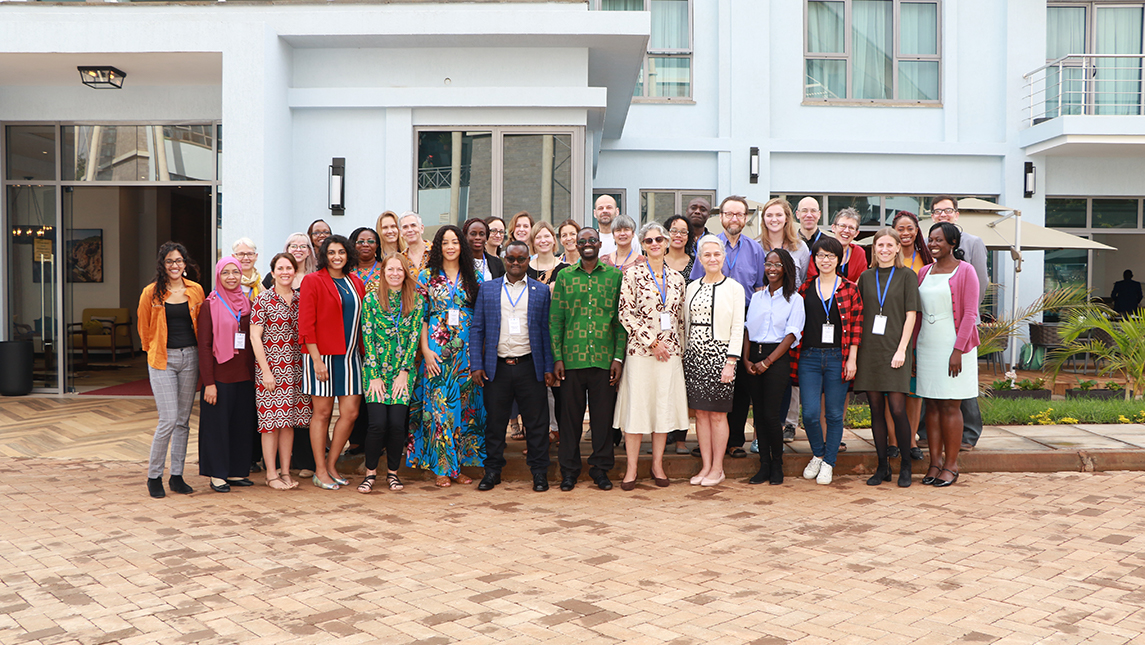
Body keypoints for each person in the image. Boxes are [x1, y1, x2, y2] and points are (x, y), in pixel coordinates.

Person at [470, 241, 556, 492]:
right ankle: (492, 471)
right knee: (495, 423)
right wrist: (476, 364)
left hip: (530, 365)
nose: (515, 263)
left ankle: (539, 473)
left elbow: (546, 332)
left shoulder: (540, 291)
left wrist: (548, 367)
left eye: (521, 259)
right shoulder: (488, 289)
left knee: (537, 424)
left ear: (529, 260)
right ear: (504, 260)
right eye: (511, 259)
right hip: (496, 367)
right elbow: (477, 330)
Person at [408, 225, 486, 487]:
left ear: (461, 246)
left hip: (467, 352)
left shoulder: (474, 275)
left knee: (464, 410)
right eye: (445, 242)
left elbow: (483, 315)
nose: (450, 247)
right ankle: (442, 468)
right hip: (437, 353)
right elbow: (420, 317)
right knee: (440, 409)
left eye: (455, 242)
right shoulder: (426, 276)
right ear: (438, 247)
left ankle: (459, 467)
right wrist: (426, 351)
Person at [689, 196, 767, 459]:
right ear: (720, 216)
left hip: (743, 321)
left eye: (740, 214)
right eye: (729, 214)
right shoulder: (708, 245)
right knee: (709, 388)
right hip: (710, 322)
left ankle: (734, 440)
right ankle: (707, 444)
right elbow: (696, 285)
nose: (734, 219)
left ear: (745, 218)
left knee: (740, 384)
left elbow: (759, 288)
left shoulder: (756, 250)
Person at [551, 227, 627, 491]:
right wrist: (557, 357)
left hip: (604, 360)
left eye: (591, 240)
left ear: (599, 243)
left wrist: (618, 357)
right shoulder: (565, 277)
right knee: (569, 420)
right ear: (576, 244)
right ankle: (569, 472)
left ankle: (601, 470)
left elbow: (620, 321)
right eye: (581, 241)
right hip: (571, 360)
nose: (586, 244)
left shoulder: (615, 276)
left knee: (602, 421)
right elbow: (556, 319)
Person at [615, 222, 688, 490]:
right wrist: (652, 342)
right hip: (641, 352)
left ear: (668, 242)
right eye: (649, 240)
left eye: (659, 239)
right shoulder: (632, 274)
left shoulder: (678, 279)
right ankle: (631, 468)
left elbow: (680, 318)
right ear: (643, 245)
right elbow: (625, 312)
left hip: (670, 355)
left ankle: (657, 464)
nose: (655, 244)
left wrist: (676, 348)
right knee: (637, 410)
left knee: (662, 409)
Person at [299, 235, 367, 490]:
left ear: (348, 254)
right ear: (324, 256)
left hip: (351, 357)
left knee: (350, 413)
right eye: (331, 252)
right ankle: (319, 470)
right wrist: (316, 360)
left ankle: (331, 464)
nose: (337, 256)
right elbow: (306, 324)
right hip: (322, 357)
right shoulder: (312, 281)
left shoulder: (355, 282)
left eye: (341, 252)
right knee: (323, 413)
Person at [854, 228, 920, 488]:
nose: (884, 249)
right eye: (880, 245)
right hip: (870, 352)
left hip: (896, 350)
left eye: (889, 245)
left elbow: (911, 315)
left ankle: (905, 465)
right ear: (874, 248)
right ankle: (883, 466)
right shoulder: (865, 277)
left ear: (897, 249)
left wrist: (902, 349)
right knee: (876, 411)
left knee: (897, 409)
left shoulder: (908, 276)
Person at [915, 222, 980, 487]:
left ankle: (951, 465)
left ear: (953, 243)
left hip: (955, 346)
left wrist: (957, 350)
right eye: (931, 239)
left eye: (939, 240)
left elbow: (969, 314)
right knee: (931, 405)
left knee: (950, 405)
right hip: (926, 344)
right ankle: (934, 462)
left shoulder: (966, 271)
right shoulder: (923, 272)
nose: (933, 244)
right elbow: (917, 313)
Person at [795, 236, 863, 486]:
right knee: (811, 414)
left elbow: (856, 326)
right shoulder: (804, 289)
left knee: (834, 415)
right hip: (809, 357)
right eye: (821, 255)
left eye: (830, 256)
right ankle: (819, 453)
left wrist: (852, 360)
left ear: (839, 259)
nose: (825, 260)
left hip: (838, 357)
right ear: (814, 259)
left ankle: (829, 463)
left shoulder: (849, 289)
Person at [139, 242, 204, 498]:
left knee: (183, 421)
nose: (175, 266)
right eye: (169, 261)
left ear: (185, 263)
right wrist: (152, 351)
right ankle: (154, 476)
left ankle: (176, 475)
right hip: (161, 359)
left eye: (178, 261)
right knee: (168, 418)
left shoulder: (196, 291)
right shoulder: (151, 293)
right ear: (162, 265)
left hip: (190, 357)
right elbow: (143, 329)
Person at [359, 253, 425, 493]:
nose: (395, 274)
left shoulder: (415, 301)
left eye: (400, 270)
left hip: (402, 372)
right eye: (390, 270)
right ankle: (370, 473)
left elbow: (414, 339)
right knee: (377, 424)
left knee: (397, 425)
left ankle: (393, 474)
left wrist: (405, 372)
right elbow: (368, 335)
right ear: (383, 273)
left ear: (405, 272)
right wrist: (374, 374)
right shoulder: (371, 300)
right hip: (375, 371)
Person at [683, 234, 745, 486]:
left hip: (720, 356)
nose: (712, 258)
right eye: (706, 254)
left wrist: (731, 362)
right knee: (700, 414)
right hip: (694, 355)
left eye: (716, 254)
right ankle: (705, 466)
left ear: (724, 257)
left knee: (718, 415)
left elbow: (738, 327)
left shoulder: (734, 288)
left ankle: (718, 468)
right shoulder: (691, 286)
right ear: (699, 257)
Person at [927, 196, 987, 451]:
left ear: (956, 214)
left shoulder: (972, 246)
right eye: (937, 211)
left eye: (947, 210)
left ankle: (969, 435)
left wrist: (960, 340)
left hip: (959, 330)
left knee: (959, 392)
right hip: (929, 339)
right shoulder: (927, 260)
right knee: (933, 399)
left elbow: (980, 284)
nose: (943, 214)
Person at [250, 253, 312, 490]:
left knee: (289, 423)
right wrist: (265, 371)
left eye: (289, 268)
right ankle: (271, 474)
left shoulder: (300, 299)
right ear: (273, 272)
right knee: (270, 424)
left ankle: (286, 472)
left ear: (295, 272)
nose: (285, 272)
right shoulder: (262, 300)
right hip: (271, 370)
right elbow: (255, 337)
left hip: (296, 370)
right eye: (281, 268)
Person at [742, 248, 804, 486]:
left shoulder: (794, 299)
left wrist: (767, 362)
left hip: (776, 358)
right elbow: (748, 329)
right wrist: (747, 360)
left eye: (777, 265)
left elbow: (791, 336)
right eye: (769, 264)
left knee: (771, 416)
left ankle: (777, 465)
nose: (772, 269)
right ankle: (763, 466)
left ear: (786, 269)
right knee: (758, 415)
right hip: (753, 356)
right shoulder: (757, 297)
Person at [197, 256, 258, 493]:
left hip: (244, 375)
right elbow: (204, 346)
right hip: (220, 375)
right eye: (226, 273)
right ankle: (217, 474)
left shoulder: (248, 303)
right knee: (217, 427)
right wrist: (208, 383)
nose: (231, 277)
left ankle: (235, 471)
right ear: (218, 276)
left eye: (235, 272)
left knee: (241, 425)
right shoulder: (209, 305)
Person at [663, 214, 696, 454]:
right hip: (656, 336)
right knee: (661, 385)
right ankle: (661, 434)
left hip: (686, 331)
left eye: (683, 232)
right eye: (673, 230)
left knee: (681, 386)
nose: (678, 235)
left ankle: (681, 437)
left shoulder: (696, 264)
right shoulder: (652, 260)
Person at [758, 197, 812, 286]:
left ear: (786, 218)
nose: (774, 219)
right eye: (769, 215)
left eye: (779, 215)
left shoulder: (800, 247)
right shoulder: (756, 247)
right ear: (763, 219)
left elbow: (804, 279)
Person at [806, 208, 867, 282]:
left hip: (850, 293)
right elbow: (811, 278)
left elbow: (861, 281)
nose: (846, 230)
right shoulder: (819, 248)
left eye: (851, 228)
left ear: (856, 233)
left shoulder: (859, 253)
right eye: (842, 226)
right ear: (833, 228)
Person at [349, 227, 383, 291]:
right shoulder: (346, 270)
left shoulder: (385, 269)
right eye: (361, 241)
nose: (365, 244)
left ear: (377, 246)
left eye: (370, 241)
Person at [664, 214, 695, 282]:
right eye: (674, 231)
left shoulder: (695, 263)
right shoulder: (658, 262)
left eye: (683, 232)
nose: (678, 235)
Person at [232, 237, 261, 302]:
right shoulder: (228, 283)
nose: (245, 258)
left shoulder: (262, 284)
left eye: (250, 254)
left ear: (256, 256)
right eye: (241, 254)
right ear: (233, 257)